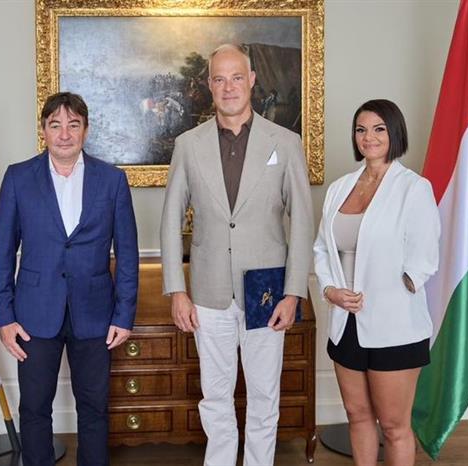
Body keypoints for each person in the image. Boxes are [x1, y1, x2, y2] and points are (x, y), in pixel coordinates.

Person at [160, 44, 314, 466]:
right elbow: (170, 220)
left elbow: (302, 221)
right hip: (208, 294)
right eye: (219, 79)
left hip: (267, 295)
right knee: (215, 397)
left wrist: (294, 293)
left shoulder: (285, 142)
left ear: (252, 81)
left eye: (237, 77)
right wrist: (177, 290)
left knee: (265, 396)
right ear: (209, 85)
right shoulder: (188, 145)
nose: (229, 87)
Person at [0, 92, 139, 466]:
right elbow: (3, 252)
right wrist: (4, 317)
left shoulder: (112, 180)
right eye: (55, 125)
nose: (64, 134)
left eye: (73, 125)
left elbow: (127, 253)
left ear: (86, 130)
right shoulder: (18, 177)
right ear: (43, 130)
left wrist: (124, 315)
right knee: (34, 408)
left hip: (96, 314)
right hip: (34, 313)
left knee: (94, 408)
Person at [313, 99, 440, 466]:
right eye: (361, 129)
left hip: (394, 326)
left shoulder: (414, 188)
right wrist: (330, 290)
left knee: (395, 426)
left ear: (394, 133)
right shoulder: (340, 188)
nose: (368, 137)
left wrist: (396, 287)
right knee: (358, 416)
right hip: (346, 326)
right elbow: (322, 248)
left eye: (379, 128)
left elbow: (424, 256)